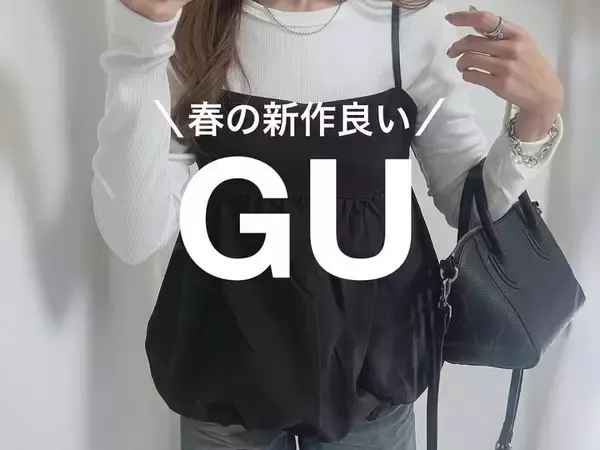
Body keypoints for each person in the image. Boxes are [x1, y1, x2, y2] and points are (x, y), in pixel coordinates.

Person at [93, 0, 564, 448]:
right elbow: (135, 236)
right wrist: (141, 41)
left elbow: (468, 205)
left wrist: (537, 118)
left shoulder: (407, 23)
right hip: (226, 377)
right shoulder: (190, 23)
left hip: (372, 376)